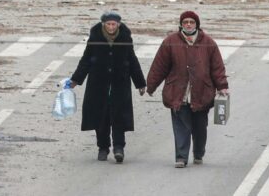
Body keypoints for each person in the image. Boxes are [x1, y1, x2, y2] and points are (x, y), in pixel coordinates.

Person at [145, 11, 230, 168]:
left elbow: (217, 67)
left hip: (202, 93)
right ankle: (181, 158)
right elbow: (159, 66)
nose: (188, 24)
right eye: (185, 22)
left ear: (197, 24)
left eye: (191, 22)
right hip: (178, 93)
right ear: (181, 24)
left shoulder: (208, 43)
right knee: (181, 127)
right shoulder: (170, 42)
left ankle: (198, 153)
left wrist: (222, 86)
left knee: (200, 128)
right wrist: (151, 85)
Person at [68, 11, 146, 163]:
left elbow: (132, 60)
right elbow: (86, 60)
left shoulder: (125, 38)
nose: (111, 27)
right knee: (101, 117)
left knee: (119, 117)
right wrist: (76, 79)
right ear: (103, 24)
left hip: (120, 83)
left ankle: (119, 148)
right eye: (108, 24)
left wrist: (140, 83)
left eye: (114, 24)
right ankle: (103, 147)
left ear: (118, 24)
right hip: (98, 84)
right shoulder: (95, 37)